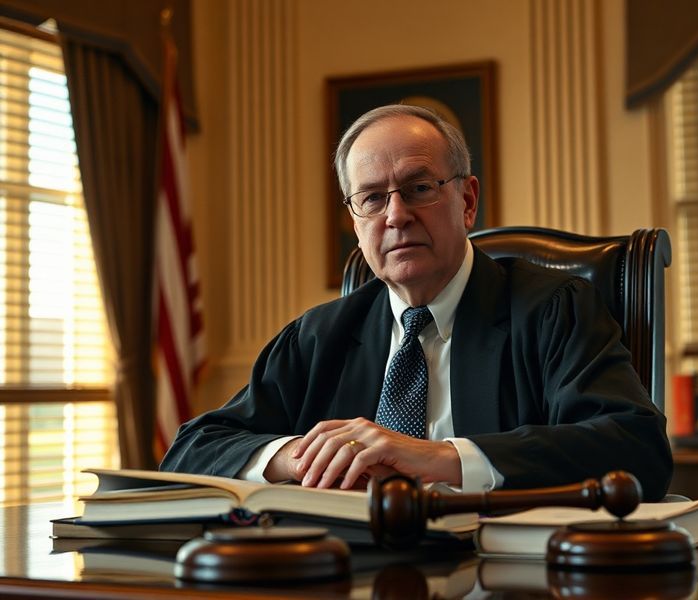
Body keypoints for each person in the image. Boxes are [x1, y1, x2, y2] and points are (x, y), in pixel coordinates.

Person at [160, 104, 672, 501]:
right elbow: (190, 450)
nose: (395, 215)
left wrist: (441, 458)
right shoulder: (318, 336)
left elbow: (635, 447)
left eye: (419, 188)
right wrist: (299, 457)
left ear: (467, 201)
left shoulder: (554, 310)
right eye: (372, 198)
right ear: (355, 222)